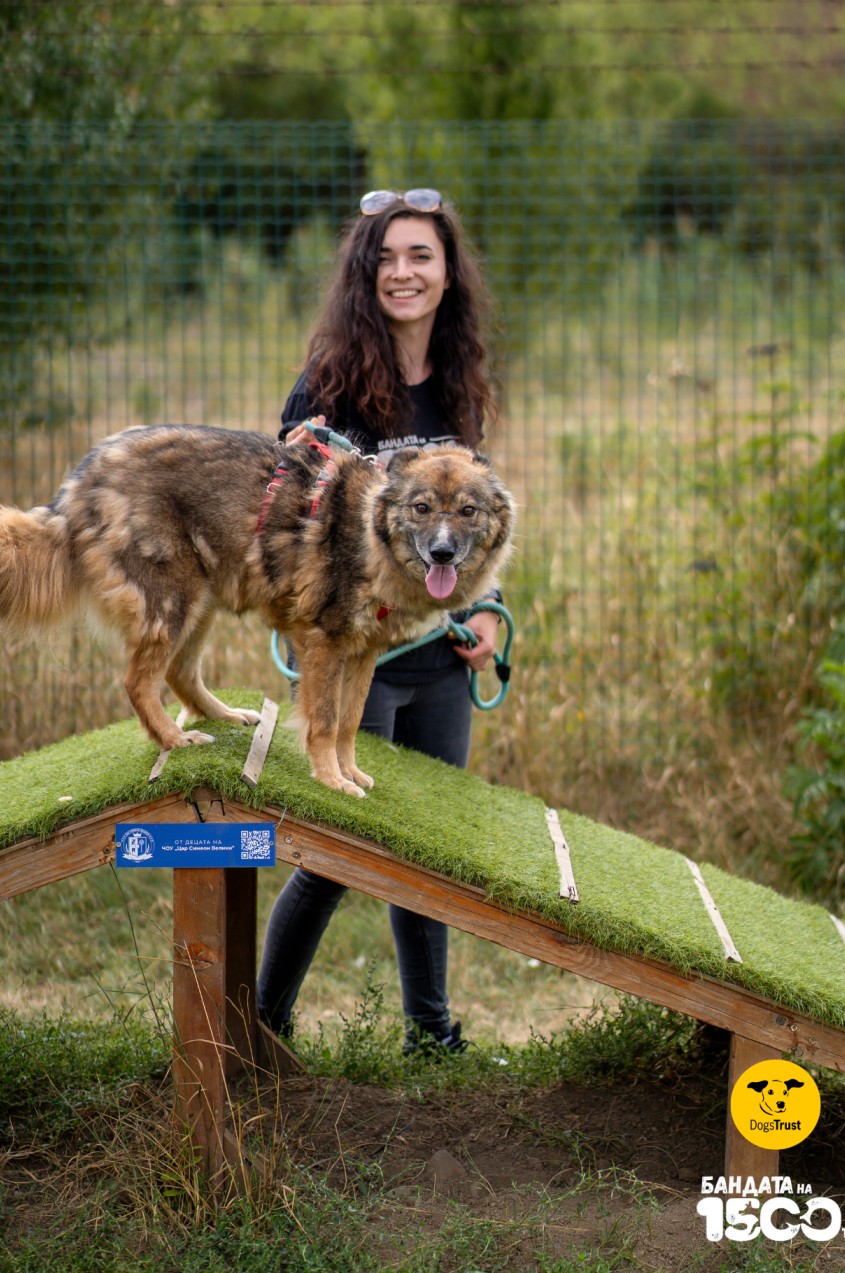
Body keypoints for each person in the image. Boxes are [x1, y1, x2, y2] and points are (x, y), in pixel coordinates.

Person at [256, 187, 502, 1055]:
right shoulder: (327, 383)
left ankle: (430, 1035)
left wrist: (490, 620)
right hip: (351, 653)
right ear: (367, 274)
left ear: (446, 274)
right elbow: (281, 523)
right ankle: (260, 1026)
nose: (403, 271)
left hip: (435, 656)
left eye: (420, 256)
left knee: (426, 850)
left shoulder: (464, 384)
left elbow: (475, 523)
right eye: (386, 257)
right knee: (329, 853)